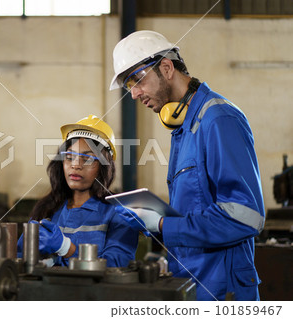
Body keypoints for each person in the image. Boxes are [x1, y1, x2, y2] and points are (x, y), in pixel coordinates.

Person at [109, 30, 265, 301]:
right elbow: (200, 205)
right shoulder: (184, 128)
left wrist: (162, 225)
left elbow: (247, 215)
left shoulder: (217, 119)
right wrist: (156, 214)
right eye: (128, 86)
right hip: (192, 284)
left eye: (137, 79)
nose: (134, 94)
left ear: (166, 67)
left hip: (222, 291)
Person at [18, 115, 139, 267]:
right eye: (69, 157)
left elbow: (116, 265)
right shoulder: (47, 209)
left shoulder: (120, 213)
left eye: (87, 159)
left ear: (104, 166)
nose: (75, 165)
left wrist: (67, 249)